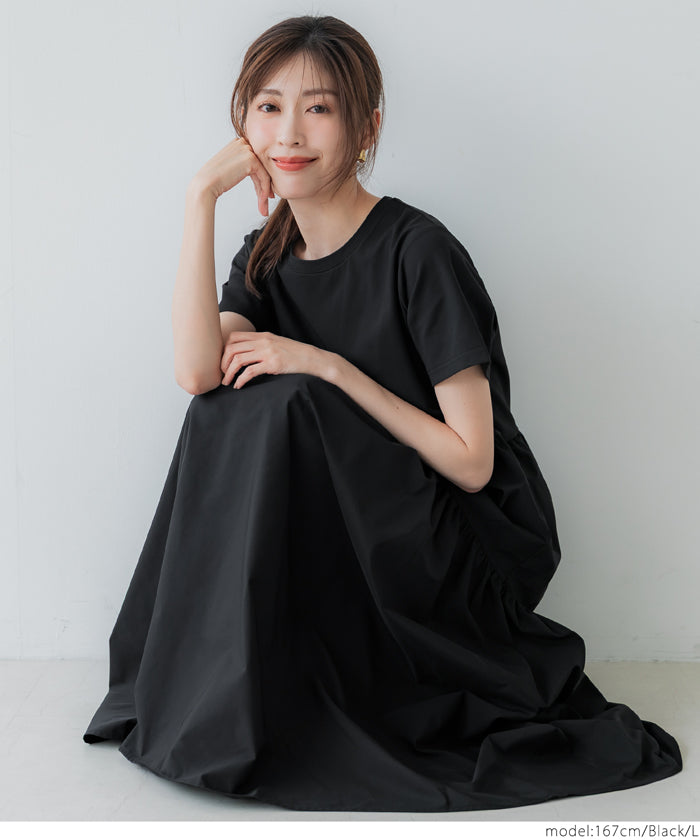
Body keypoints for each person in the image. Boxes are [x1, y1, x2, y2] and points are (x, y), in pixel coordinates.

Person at [82, 14, 683, 813]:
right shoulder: (266, 254)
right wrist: (200, 198)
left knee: (291, 397)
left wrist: (327, 366)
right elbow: (197, 374)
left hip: (450, 547)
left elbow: (473, 462)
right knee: (230, 406)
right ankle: (237, 681)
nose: (289, 133)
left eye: (319, 108)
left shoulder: (417, 250)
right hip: (347, 536)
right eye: (268, 107)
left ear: (366, 128)